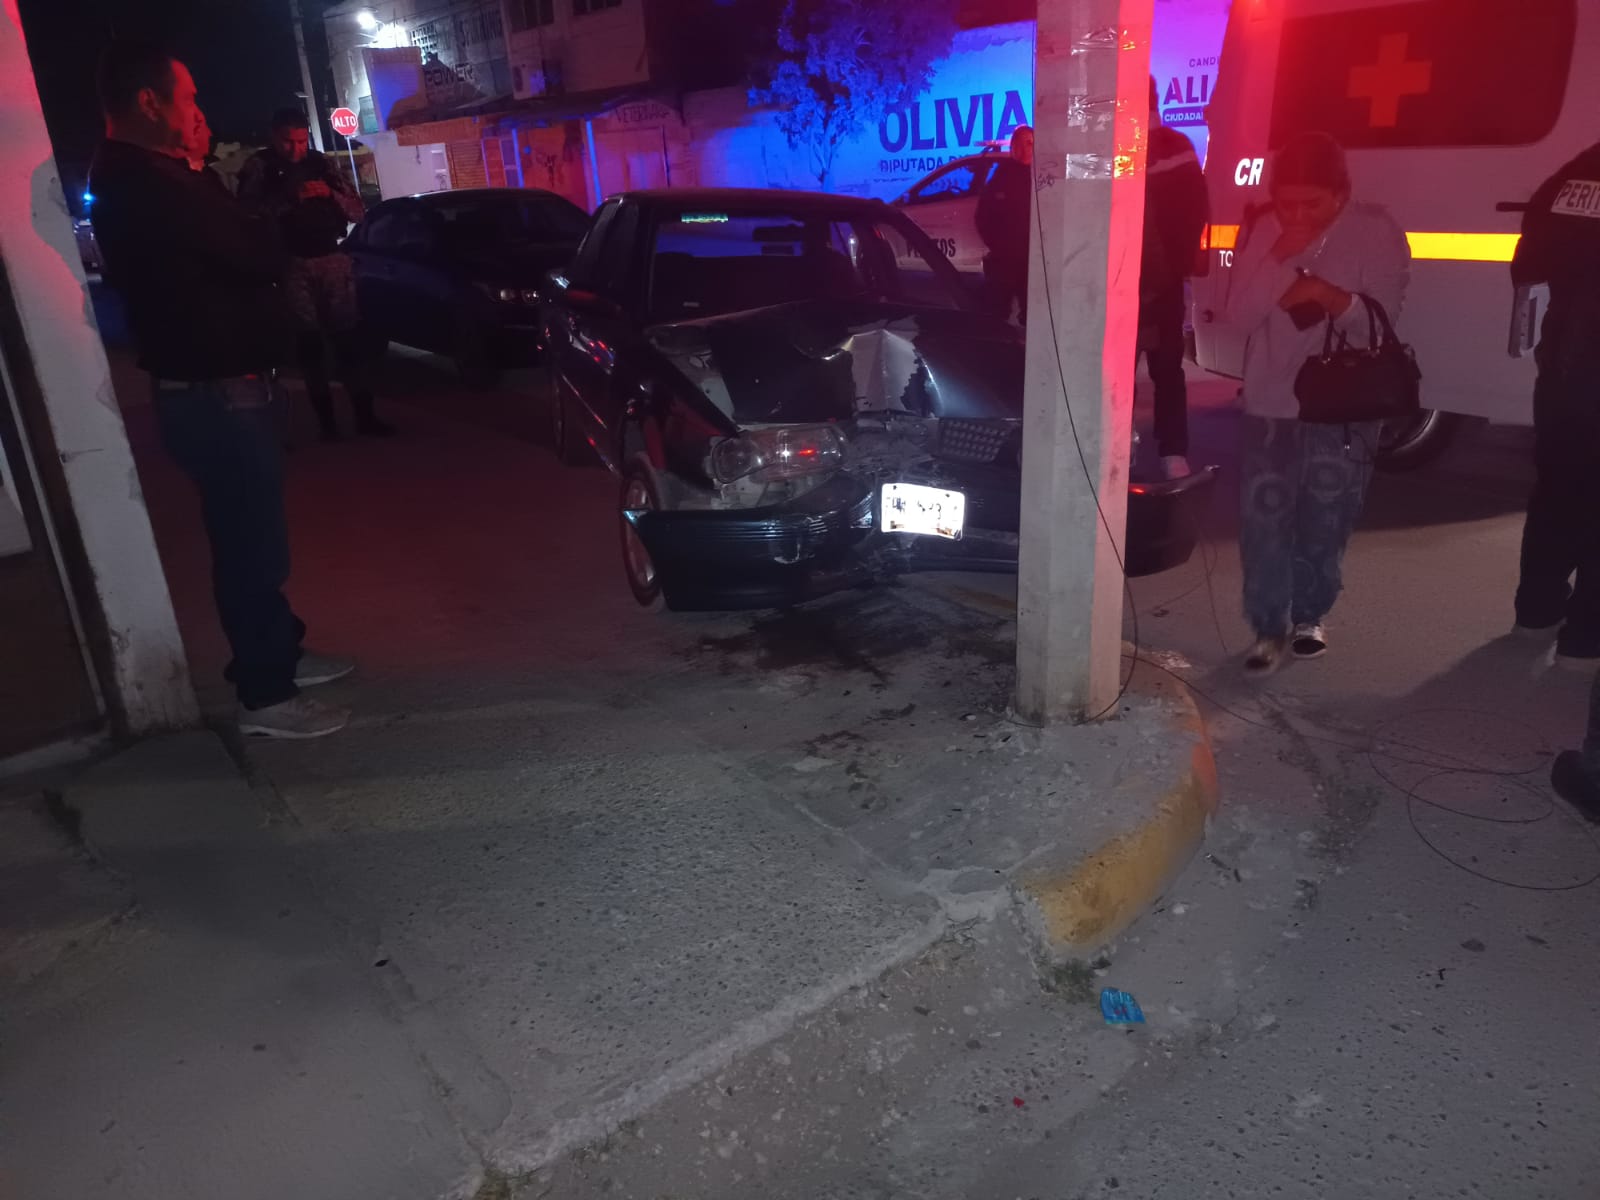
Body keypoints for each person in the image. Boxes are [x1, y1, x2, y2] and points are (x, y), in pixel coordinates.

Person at [90, 41, 351, 738]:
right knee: (250, 548)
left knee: (254, 540)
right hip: (215, 394)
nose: (199, 113)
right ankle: (266, 694)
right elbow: (256, 252)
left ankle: (280, 651)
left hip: (224, 389)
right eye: (189, 98)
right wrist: (260, 209)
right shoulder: (150, 184)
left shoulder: (160, 177)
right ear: (149, 103)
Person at [1223, 132, 1411, 676]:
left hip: (1343, 405)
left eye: (1313, 204)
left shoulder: (1375, 229)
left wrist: (1329, 297)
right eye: (1287, 203)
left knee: (1328, 515)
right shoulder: (1266, 229)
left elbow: (1381, 324)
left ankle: (1310, 614)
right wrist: (1277, 256)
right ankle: (1267, 626)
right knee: (1264, 519)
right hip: (1271, 401)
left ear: (1340, 193)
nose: (1298, 215)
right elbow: (1238, 317)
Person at [237, 107, 390, 442]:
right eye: (287, 142)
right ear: (273, 137)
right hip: (291, 263)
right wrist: (289, 199)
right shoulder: (260, 167)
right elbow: (246, 215)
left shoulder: (321, 164)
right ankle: (328, 426)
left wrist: (328, 194)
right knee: (310, 350)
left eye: (301, 141)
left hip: (331, 259)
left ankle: (365, 418)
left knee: (348, 343)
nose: (295, 149)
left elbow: (357, 210)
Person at [1508, 140, 1600, 668]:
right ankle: (1585, 641)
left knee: (1556, 491)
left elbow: (1527, 266)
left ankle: (1535, 614)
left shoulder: (1573, 174)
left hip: (1565, 371)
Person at [1139, 79, 1209, 480]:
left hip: (1154, 280)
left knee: (1162, 369)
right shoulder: (1172, 146)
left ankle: (1170, 449)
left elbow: (1194, 207)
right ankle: (1166, 450)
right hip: (1135, 281)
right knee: (1159, 370)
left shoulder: (1171, 146)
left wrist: (1175, 262)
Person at [975, 124, 1034, 323]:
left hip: (1033, 260)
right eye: (1019, 144)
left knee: (1032, 313)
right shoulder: (1001, 177)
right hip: (1005, 259)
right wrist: (998, 246)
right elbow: (982, 216)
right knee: (997, 312)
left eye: (1030, 143)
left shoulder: (1043, 176)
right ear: (1012, 147)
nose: (1025, 149)